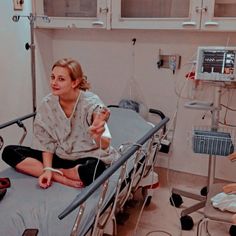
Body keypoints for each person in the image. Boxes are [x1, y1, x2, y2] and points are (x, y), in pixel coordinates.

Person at [2, 58, 119, 189]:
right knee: (9, 152)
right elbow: (46, 142)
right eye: (53, 77)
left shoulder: (91, 103)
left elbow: (104, 144)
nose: (54, 83)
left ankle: (61, 171)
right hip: (59, 156)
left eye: (61, 79)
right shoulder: (47, 104)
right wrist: (47, 169)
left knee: (93, 170)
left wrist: (98, 133)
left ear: (75, 82)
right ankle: (58, 176)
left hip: (85, 157)